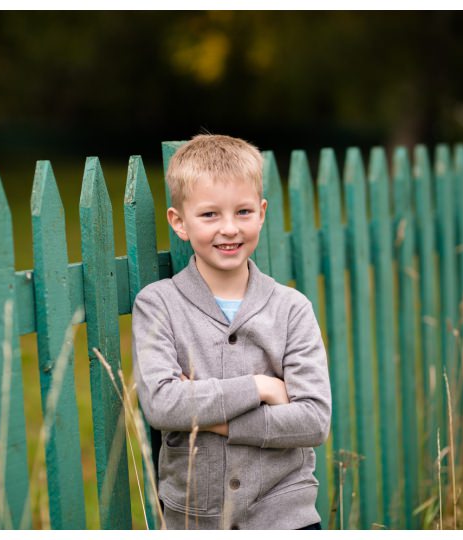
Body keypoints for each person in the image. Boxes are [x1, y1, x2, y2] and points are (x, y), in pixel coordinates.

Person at [132, 134, 331, 530]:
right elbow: (162, 404)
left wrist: (213, 419)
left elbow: (313, 420)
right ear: (180, 222)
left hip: (284, 514)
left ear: (261, 213)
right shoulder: (158, 305)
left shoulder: (292, 309)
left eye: (242, 212)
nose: (229, 229)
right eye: (209, 215)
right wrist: (260, 387)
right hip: (195, 517)